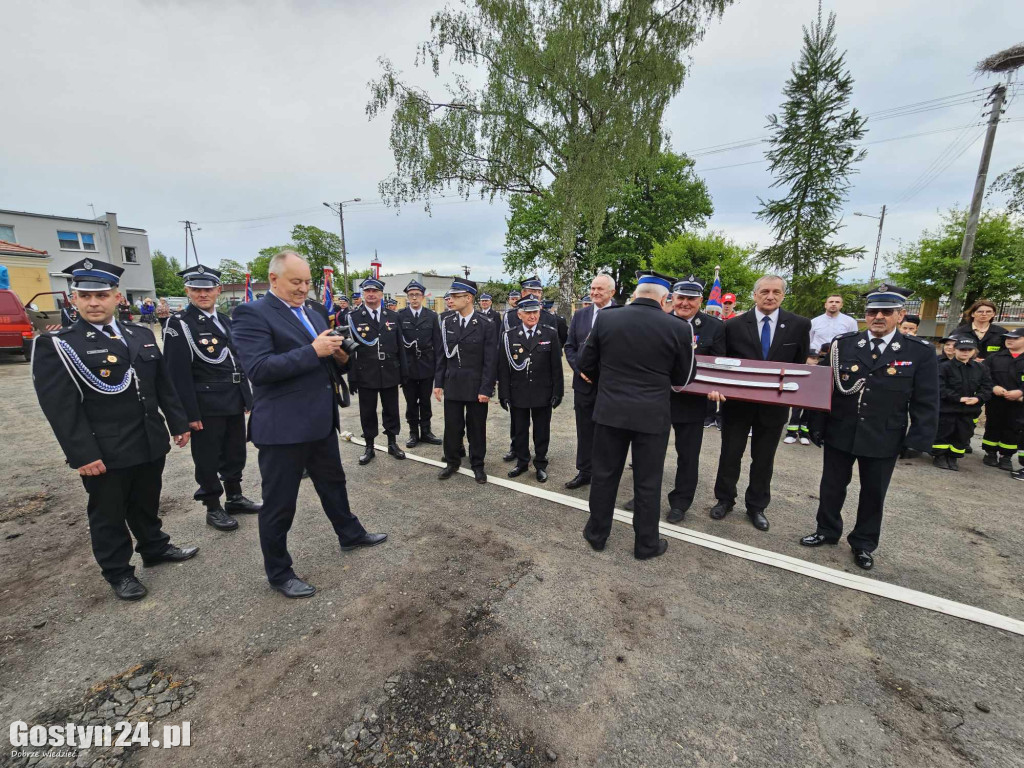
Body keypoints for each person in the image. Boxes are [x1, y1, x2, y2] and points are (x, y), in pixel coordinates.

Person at [32, 258, 196, 601]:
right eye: (85, 296)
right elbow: (60, 409)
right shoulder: (59, 344)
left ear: (117, 297)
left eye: (102, 295)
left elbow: (163, 384)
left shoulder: (139, 333)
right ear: (73, 299)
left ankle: (154, 547)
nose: (94, 303)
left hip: (149, 438)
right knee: (108, 513)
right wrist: (83, 455)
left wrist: (178, 423)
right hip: (104, 448)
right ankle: (118, 572)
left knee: (146, 500)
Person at [231, 251, 386, 599]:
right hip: (282, 427)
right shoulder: (251, 314)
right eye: (296, 282)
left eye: (307, 282)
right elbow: (259, 370)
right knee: (280, 503)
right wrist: (314, 351)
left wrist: (341, 356)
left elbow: (330, 362)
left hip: (319, 420)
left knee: (334, 483)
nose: (304, 289)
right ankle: (279, 572)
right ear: (273, 280)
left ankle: (350, 534)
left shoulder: (314, 312)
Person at [801, 284, 939, 570]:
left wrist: (918, 438)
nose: (878, 316)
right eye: (872, 311)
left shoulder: (919, 352)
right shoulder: (845, 344)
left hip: (884, 435)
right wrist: (814, 422)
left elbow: (926, 399)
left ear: (900, 315)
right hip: (841, 429)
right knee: (831, 487)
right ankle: (826, 531)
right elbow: (825, 387)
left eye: (886, 312)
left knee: (873, 493)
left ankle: (863, 543)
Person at [580, 270, 695, 559]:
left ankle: (597, 534)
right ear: (665, 298)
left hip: (610, 412)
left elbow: (586, 363)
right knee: (648, 482)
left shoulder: (607, 318)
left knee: (605, 476)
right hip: (652, 416)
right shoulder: (679, 328)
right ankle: (646, 544)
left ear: (636, 292)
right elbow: (684, 377)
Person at [709, 275, 812, 531]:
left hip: (774, 406)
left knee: (764, 458)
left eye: (776, 292)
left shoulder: (799, 325)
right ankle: (724, 499)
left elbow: (799, 366)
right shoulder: (733, 325)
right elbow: (723, 362)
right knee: (730, 454)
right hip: (738, 404)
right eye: (765, 291)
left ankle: (756, 507)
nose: (770, 296)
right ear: (754, 295)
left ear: (783, 295)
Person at [163, 263, 260, 533]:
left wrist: (246, 398)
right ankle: (213, 506)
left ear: (218, 290)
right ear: (187, 291)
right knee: (207, 457)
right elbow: (177, 374)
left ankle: (235, 496)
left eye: (207, 289)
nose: (202, 294)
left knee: (234, 452)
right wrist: (189, 415)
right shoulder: (179, 324)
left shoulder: (225, 320)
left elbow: (236, 361)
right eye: (196, 289)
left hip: (231, 398)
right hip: (205, 404)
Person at [624, 277, 726, 522]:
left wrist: (713, 389)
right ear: (672, 298)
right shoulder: (660, 321)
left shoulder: (715, 327)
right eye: (680, 297)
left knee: (688, 455)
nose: (685, 303)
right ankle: (644, 497)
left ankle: (680, 503)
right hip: (657, 399)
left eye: (691, 299)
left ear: (701, 301)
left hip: (692, 403)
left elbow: (719, 366)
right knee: (648, 452)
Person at [435, 278, 498, 484]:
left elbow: (490, 360)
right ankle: (452, 462)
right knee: (452, 427)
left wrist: (486, 388)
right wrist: (438, 383)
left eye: (455, 296)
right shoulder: (447, 322)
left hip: (475, 385)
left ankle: (477, 464)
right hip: (453, 383)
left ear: (468, 298)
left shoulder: (486, 324)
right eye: (450, 296)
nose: (450, 300)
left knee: (476, 427)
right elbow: (442, 356)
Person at [498, 297, 564, 482]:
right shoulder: (509, 336)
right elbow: (503, 368)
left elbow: (556, 367)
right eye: (528, 312)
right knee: (520, 430)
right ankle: (521, 462)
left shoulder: (549, 334)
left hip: (543, 392)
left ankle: (541, 464)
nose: (532, 316)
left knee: (541, 431)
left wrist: (558, 392)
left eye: (535, 312)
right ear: (519, 314)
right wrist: (504, 394)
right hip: (518, 391)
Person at [346, 277, 409, 464]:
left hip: (390, 371)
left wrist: (404, 373)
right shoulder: (354, 317)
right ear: (363, 294)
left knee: (391, 410)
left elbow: (400, 347)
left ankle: (392, 443)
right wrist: (352, 376)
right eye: (367, 291)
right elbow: (349, 351)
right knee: (367, 411)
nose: (371, 295)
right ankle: (369, 446)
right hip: (366, 372)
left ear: (381, 294)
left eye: (374, 291)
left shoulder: (393, 317)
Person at [563, 273, 616, 490]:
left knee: (608, 432)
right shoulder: (581, 315)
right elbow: (569, 347)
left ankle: (604, 475)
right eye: (592, 288)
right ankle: (584, 471)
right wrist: (580, 369)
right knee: (585, 431)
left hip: (609, 386)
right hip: (583, 385)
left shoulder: (620, 314)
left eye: (599, 289)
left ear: (611, 292)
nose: (594, 292)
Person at [787, 294, 859, 446]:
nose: (833, 304)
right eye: (831, 302)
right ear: (825, 304)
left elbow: (854, 342)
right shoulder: (815, 322)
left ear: (842, 304)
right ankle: (795, 429)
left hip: (840, 361)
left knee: (833, 396)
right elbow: (807, 341)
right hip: (816, 361)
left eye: (837, 302)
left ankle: (823, 429)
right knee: (807, 397)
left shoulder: (849, 322)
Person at [933, 337, 993, 471]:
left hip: (969, 410)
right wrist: (958, 398)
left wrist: (978, 398)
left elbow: (987, 387)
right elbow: (939, 387)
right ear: (955, 350)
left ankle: (953, 457)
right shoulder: (944, 367)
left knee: (962, 435)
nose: (965, 352)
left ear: (974, 351)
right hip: (947, 409)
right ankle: (939, 456)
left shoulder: (981, 368)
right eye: (962, 349)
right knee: (943, 434)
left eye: (969, 350)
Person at [398, 280, 442, 448]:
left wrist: (438, 370)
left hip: (426, 365)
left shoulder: (431, 316)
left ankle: (426, 432)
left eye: (417, 295)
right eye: (411, 295)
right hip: (408, 366)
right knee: (410, 402)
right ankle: (413, 433)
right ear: (408, 297)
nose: (414, 298)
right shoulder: (400, 316)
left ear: (423, 297)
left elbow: (437, 344)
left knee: (425, 401)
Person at [981, 328, 1024, 472]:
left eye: (1015, 338)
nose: (1010, 340)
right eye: (1008, 338)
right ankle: (990, 453)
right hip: (996, 401)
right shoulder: (994, 358)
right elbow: (983, 376)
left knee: (1013, 428)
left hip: (1018, 403)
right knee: (993, 425)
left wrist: (1020, 392)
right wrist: (993, 387)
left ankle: (1006, 457)